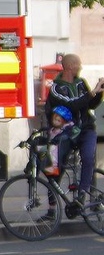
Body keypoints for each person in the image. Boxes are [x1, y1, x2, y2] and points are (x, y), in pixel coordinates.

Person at [44, 53, 104, 190]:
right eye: (78, 64)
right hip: (65, 132)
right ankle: (53, 207)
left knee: (88, 159)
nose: (81, 67)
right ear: (70, 66)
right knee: (54, 166)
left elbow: (90, 105)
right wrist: (92, 93)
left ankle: (83, 195)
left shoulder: (81, 83)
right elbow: (71, 106)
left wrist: (99, 92)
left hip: (85, 129)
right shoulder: (56, 88)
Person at [41, 106, 76, 177]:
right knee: (38, 149)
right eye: (54, 119)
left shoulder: (64, 130)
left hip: (57, 152)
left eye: (58, 120)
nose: (55, 121)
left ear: (64, 121)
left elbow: (65, 136)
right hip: (50, 150)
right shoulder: (52, 130)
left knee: (51, 149)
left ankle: (53, 167)